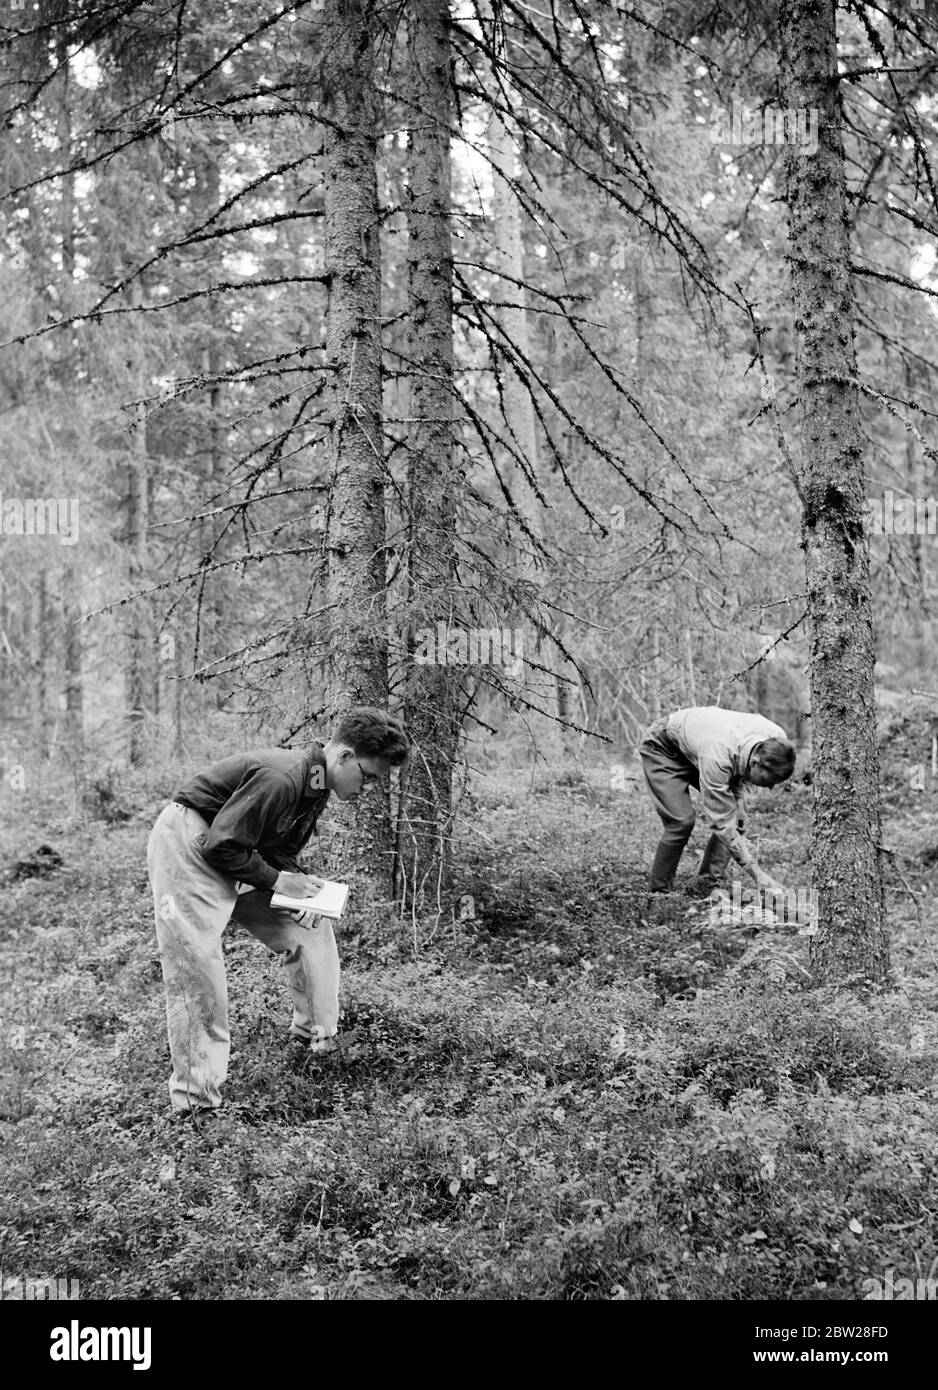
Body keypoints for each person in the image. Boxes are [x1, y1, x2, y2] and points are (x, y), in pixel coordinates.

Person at [146, 706, 411, 1116]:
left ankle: (315, 1041)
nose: (368, 787)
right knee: (197, 967)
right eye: (369, 776)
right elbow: (221, 845)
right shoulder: (283, 776)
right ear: (342, 756)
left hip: (236, 850)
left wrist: (300, 887)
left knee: (309, 927)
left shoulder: (317, 785)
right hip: (189, 843)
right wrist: (278, 882)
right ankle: (196, 1104)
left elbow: (273, 848)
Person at [639, 705, 795, 895]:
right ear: (755, 762)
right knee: (681, 821)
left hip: (704, 747)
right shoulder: (718, 756)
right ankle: (659, 893)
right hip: (664, 747)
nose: (770, 787)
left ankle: (709, 883)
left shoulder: (777, 741)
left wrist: (739, 802)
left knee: (737, 819)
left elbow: (741, 768)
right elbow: (722, 822)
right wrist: (758, 875)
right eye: (767, 781)